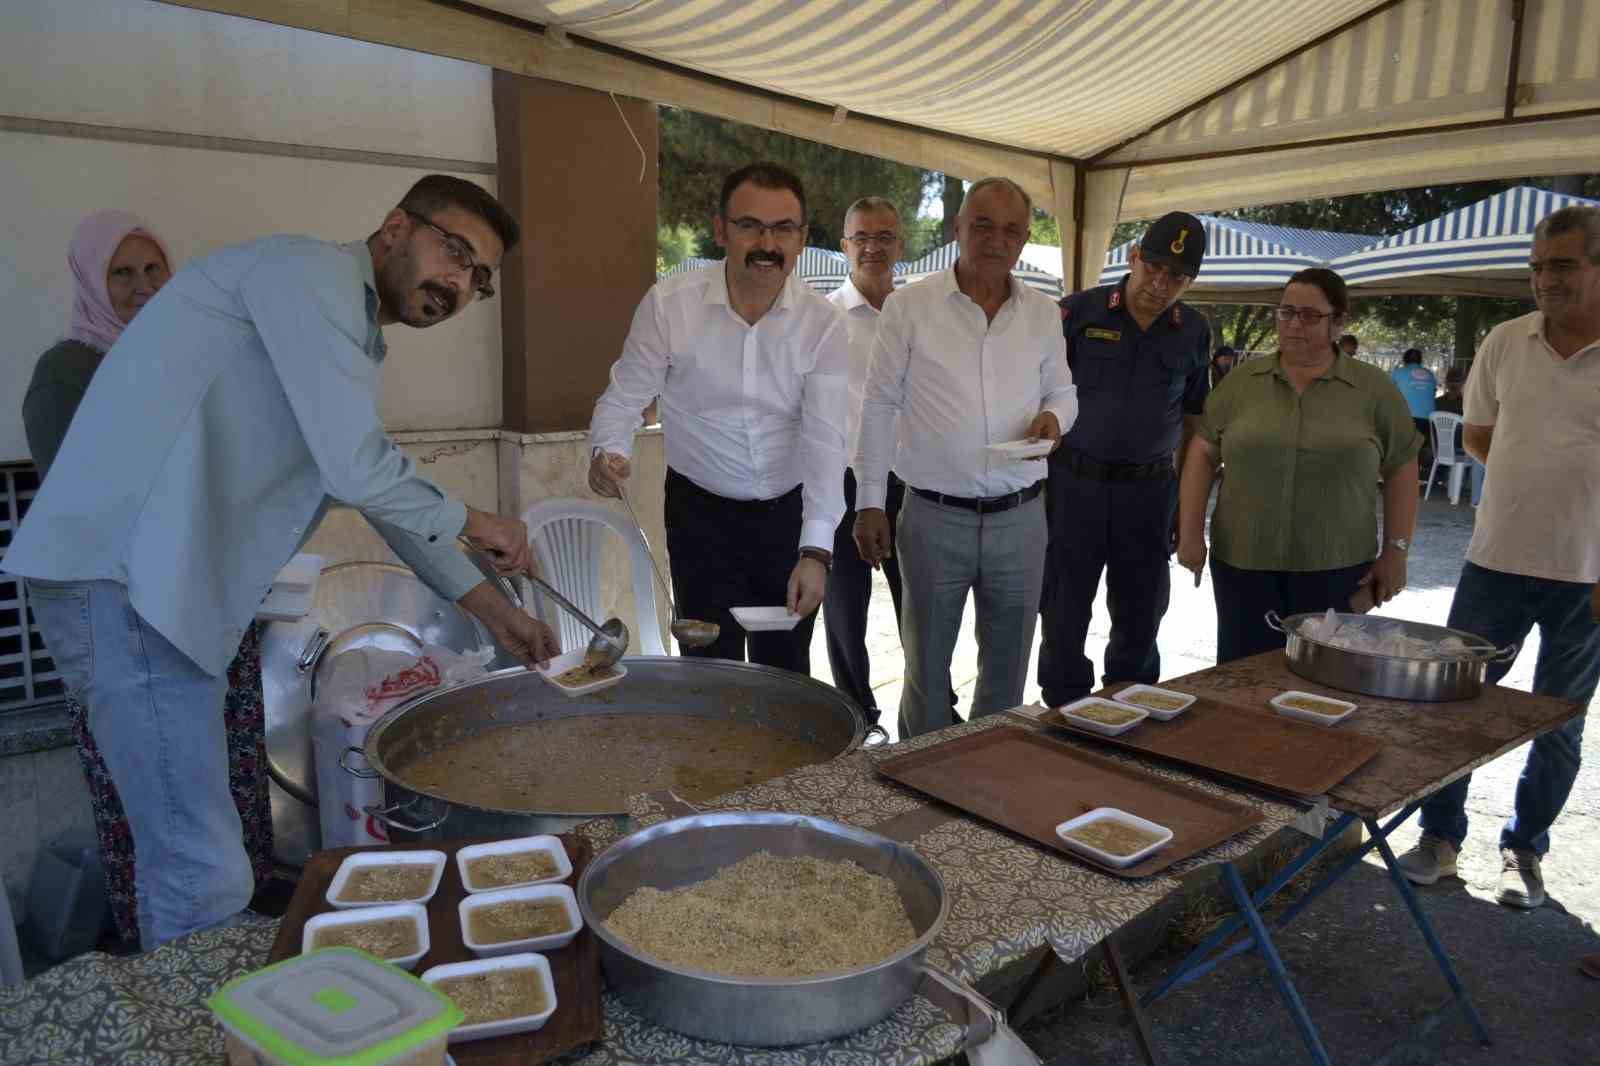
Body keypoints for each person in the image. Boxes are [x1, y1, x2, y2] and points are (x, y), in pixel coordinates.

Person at [5, 176, 558, 950]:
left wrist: (499, 614)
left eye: (478, 277)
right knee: (200, 873)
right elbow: (361, 470)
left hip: (167, 591)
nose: (458, 283)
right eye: (454, 251)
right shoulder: (311, 276)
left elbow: (371, 484)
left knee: (198, 863)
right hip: (125, 581)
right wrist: (477, 519)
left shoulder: (342, 320)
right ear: (396, 227)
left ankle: (206, 1022)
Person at [20, 209, 278, 946]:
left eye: (152, 270)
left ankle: (232, 946)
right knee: (166, 823)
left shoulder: (189, 357)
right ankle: (177, 962)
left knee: (220, 801)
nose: (140, 288)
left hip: (204, 606)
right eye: (121, 274)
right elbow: (91, 501)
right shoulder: (68, 371)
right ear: (92, 283)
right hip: (133, 623)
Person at [1397, 205, 1600, 912]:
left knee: (1560, 726)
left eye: (1564, 265)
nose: (1546, 279)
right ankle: (1439, 838)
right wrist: (1530, 484)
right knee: (1455, 706)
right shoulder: (1506, 342)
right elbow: (1480, 437)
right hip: (1496, 562)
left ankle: (1525, 850)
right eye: (1538, 267)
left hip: (1588, 578)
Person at [587, 162, 848, 672]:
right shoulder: (670, 306)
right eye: (750, 225)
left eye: (783, 229)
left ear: (802, 238)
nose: (767, 244)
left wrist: (816, 552)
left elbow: (826, 440)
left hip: (786, 518)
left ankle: (789, 757)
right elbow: (624, 397)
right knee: (706, 668)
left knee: (785, 670)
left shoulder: (825, 325)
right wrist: (608, 451)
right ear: (720, 230)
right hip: (698, 516)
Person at [855, 177, 1077, 738]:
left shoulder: (1044, 314)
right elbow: (877, 406)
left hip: (1021, 517)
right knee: (926, 671)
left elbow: (1064, 392)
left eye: (1010, 230)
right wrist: (870, 503)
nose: (995, 240)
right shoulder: (909, 308)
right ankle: (919, 791)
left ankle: (990, 786)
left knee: (1007, 673)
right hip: (932, 518)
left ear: (1025, 239)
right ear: (957, 229)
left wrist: (1056, 420)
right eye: (982, 225)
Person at [1176, 268, 1421, 661]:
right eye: (1286, 313)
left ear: (1339, 322)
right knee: (1243, 682)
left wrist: (1397, 551)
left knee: (1328, 684)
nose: (1294, 325)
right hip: (1244, 565)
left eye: (1310, 315)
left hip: (1338, 569)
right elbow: (1202, 454)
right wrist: (1189, 533)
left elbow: (1402, 467)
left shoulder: (1374, 391)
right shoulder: (1241, 383)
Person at [1036, 212, 1210, 709]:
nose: (1159, 283)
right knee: (1064, 606)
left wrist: (1185, 507)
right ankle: (1064, 707)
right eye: (1152, 266)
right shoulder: (1077, 314)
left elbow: (1195, 422)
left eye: (1175, 276)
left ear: (1189, 281)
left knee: (1141, 609)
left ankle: (1129, 704)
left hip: (1149, 492)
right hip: (1074, 485)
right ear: (1133, 257)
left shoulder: (1193, 331)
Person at [820, 196, 904, 732]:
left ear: (900, 245)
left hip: (910, 480)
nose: (872, 247)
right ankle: (857, 717)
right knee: (845, 612)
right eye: (861, 237)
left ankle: (933, 705)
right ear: (844, 246)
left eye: (883, 237)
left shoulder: (917, 314)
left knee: (919, 607)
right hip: (843, 480)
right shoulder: (823, 318)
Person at [1434, 365, 1485, 503]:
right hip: (1460, 446)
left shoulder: (1437, 403)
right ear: (1462, 384)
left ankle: (1445, 478)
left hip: (1439, 446)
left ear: (1446, 383)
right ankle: (1472, 490)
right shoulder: (1466, 405)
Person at [1390, 347, 1438, 435]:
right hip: (1429, 421)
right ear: (1420, 360)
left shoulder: (1397, 373)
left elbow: (1387, 394)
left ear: (1404, 360)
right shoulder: (1429, 374)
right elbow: (1433, 392)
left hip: (1406, 419)